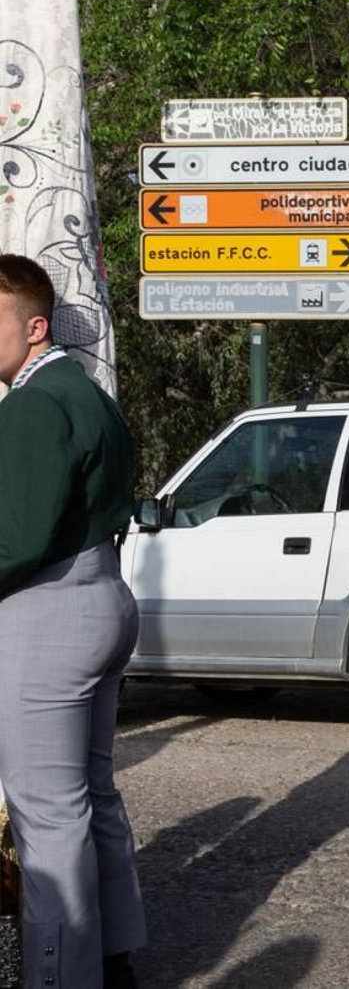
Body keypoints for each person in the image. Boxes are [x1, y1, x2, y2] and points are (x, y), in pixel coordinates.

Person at [0, 254, 144, 989]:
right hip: (105, 595)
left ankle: (59, 978)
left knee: (47, 814)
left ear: (35, 326)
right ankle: (115, 959)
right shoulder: (88, 392)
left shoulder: (32, 403)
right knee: (94, 796)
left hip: (49, 606)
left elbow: (18, 536)